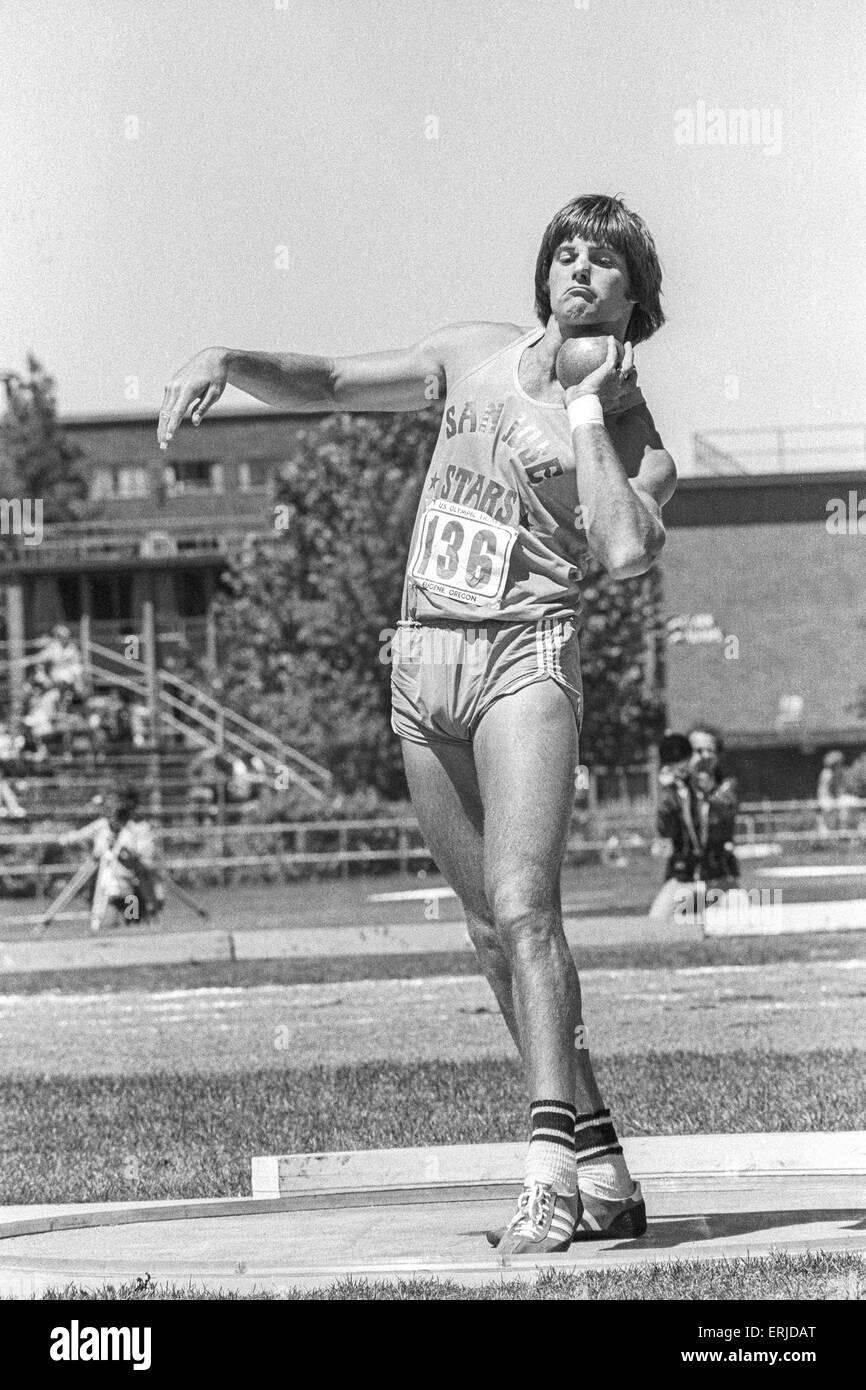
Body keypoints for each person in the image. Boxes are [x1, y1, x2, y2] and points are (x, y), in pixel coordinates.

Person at [158, 193, 676, 1255]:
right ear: (542, 274)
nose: (577, 271)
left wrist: (584, 407)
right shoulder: (468, 351)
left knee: (527, 911)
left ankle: (544, 1180)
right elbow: (339, 383)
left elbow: (623, 550)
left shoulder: (632, 434)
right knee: (491, 935)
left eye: (603, 263)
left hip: (520, 663)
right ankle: (602, 1164)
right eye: (564, 254)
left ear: (632, 297)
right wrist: (230, 355)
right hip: (421, 662)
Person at [649, 726, 740, 922]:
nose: (704, 756)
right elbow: (665, 829)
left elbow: (721, 819)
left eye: (710, 751)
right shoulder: (675, 790)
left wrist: (705, 791)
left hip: (720, 879)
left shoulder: (726, 786)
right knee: (656, 923)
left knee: (746, 923)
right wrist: (669, 792)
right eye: (697, 751)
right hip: (684, 879)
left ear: (718, 756)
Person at [60, 787, 163, 933]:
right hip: (103, 884)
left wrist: (124, 850)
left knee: (132, 919)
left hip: (128, 887)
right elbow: (80, 836)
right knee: (107, 923)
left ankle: (133, 921)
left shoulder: (135, 829)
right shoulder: (102, 826)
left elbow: (142, 857)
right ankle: (99, 924)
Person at [816, 750, 848, 840]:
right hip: (826, 798)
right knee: (829, 812)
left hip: (834, 798)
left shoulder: (839, 773)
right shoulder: (827, 774)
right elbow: (826, 791)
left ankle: (843, 832)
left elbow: (840, 788)